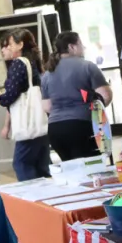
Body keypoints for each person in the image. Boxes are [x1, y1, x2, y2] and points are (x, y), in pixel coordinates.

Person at [0, 30, 50, 181]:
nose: (3, 49)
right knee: (41, 166)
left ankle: (32, 200)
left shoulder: (18, 64)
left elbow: (11, 95)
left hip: (28, 128)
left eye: (7, 45)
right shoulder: (33, 63)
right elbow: (18, 94)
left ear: (20, 45)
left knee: (21, 163)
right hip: (39, 125)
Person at [42, 31, 112, 162]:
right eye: (80, 44)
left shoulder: (47, 73)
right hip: (82, 127)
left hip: (55, 130)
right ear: (71, 47)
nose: (83, 47)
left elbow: (47, 106)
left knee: (71, 170)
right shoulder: (87, 66)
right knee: (92, 168)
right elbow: (105, 96)